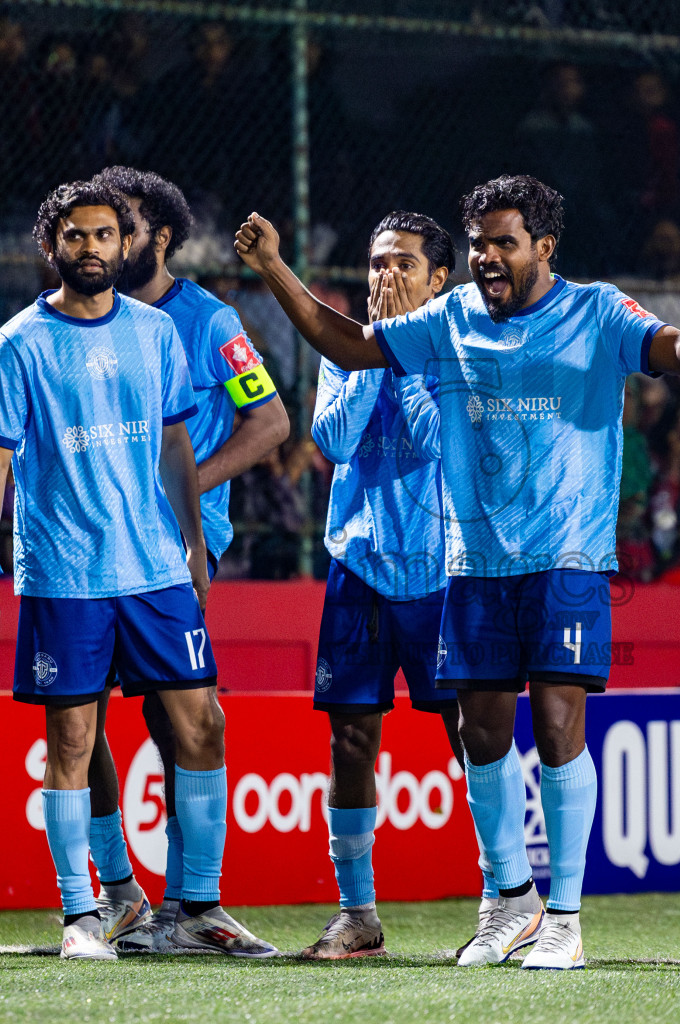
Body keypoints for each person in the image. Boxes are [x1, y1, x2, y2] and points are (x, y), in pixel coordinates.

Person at [236, 174, 680, 970]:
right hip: (473, 565)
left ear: (544, 246)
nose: (487, 259)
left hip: (567, 554)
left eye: (504, 244)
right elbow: (351, 346)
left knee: (560, 727)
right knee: (481, 735)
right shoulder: (452, 316)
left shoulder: (599, 310)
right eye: (478, 245)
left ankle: (566, 919)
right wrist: (275, 271)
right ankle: (512, 901)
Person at [0, 179, 273, 961]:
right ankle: (82, 916)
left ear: (128, 243)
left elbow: (176, 445)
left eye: (105, 235)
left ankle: (199, 906)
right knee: (72, 741)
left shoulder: (160, 332)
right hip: (65, 574)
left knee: (203, 725)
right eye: (76, 236)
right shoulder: (19, 341)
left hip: (157, 569)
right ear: (50, 244)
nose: (92, 248)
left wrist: (194, 542)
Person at [80, 165, 288, 953]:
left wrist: (179, 491)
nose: (109, 238)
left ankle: (196, 905)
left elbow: (269, 423)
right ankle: (119, 894)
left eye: (123, 225)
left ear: (159, 237)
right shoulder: (76, 320)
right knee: (82, 718)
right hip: (89, 551)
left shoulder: (209, 322)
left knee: (184, 724)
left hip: (173, 553)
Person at [301, 210, 486, 959]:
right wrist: (370, 358)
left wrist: (401, 359)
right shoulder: (342, 348)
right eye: (378, 263)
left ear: (441, 278)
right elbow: (333, 440)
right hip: (359, 569)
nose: (386, 277)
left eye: (403, 264)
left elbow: (445, 442)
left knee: (472, 740)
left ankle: (502, 899)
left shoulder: (461, 349)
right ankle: (357, 916)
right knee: (350, 740)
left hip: (444, 571)